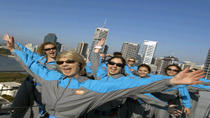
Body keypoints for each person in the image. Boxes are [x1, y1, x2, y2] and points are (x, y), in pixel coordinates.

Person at [3, 33, 205, 118]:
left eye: (69, 61)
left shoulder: (94, 86)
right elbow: (31, 64)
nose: (64, 65)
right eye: (61, 62)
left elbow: (136, 86)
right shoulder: (51, 77)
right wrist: (14, 49)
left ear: (80, 64)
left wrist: (170, 80)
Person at [9, 36, 58, 118]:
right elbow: (27, 52)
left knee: (35, 112)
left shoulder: (58, 65)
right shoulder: (41, 59)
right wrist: (14, 43)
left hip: (40, 91)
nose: (51, 50)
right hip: (27, 85)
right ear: (44, 51)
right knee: (17, 108)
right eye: (48, 49)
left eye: (53, 48)